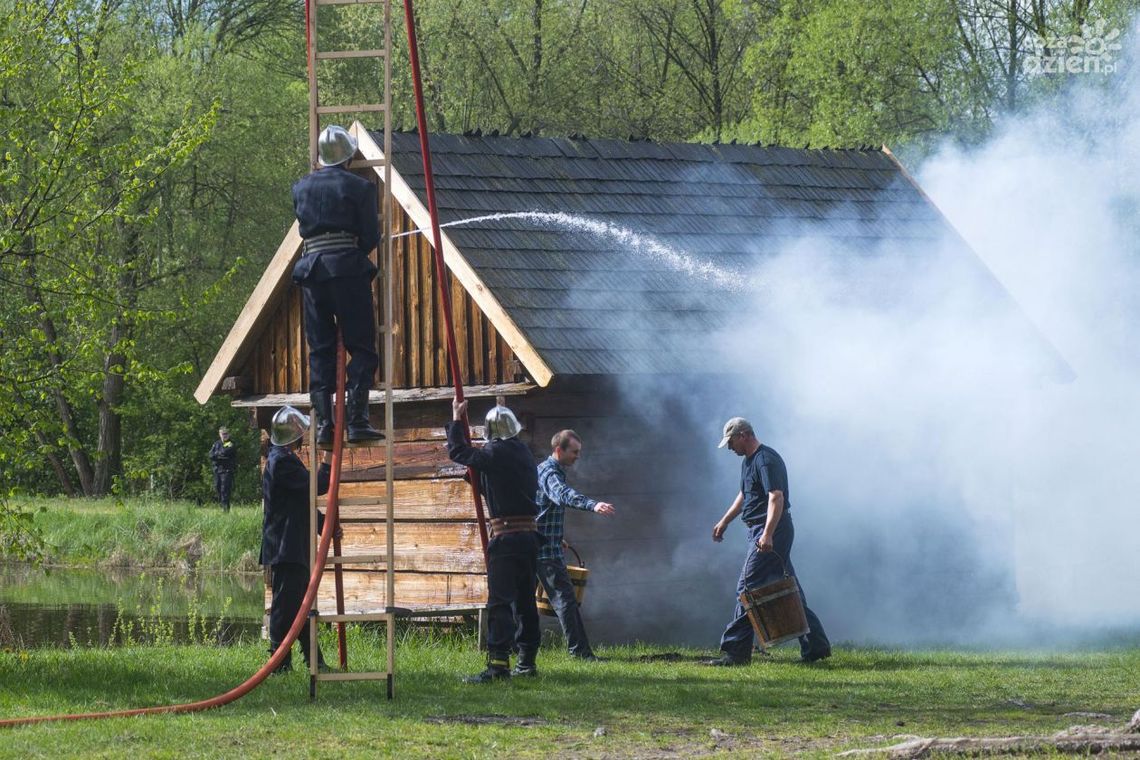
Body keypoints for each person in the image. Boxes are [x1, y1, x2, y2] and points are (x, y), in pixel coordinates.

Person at [705, 417, 831, 666]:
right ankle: (816, 646)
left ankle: (736, 653)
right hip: (761, 531)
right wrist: (724, 521)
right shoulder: (748, 462)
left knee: (747, 588)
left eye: (731, 442)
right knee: (788, 588)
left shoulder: (766, 460)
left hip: (772, 530)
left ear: (744, 435)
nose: (730, 448)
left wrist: (768, 534)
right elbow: (745, 495)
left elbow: (776, 498)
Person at [292, 124, 383, 448]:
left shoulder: (301, 187)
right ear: (347, 156)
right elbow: (370, 237)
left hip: (312, 275)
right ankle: (357, 421)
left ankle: (325, 427)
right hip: (347, 271)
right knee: (362, 347)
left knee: (320, 351)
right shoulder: (360, 188)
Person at [445, 398, 541, 683]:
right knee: (525, 601)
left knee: (499, 602)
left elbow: (459, 452)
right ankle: (527, 660)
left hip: (507, 537)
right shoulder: (523, 453)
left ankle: (498, 664)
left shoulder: (495, 452)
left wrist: (454, 418)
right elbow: (502, 484)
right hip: (529, 538)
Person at [260, 405, 333, 673]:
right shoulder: (282, 461)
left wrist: (324, 524)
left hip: (290, 545)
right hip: (285, 547)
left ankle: (315, 660)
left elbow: (300, 501)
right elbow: (316, 486)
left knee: (300, 607)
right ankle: (278, 663)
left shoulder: (284, 458)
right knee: (285, 608)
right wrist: (328, 457)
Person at [535, 429, 615, 660]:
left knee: (523, 602)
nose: (578, 456)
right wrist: (593, 505)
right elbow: (563, 495)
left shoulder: (545, 469)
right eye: (574, 452)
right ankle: (579, 653)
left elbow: (540, 507)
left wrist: (554, 536)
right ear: (559, 450)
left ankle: (518, 648)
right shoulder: (551, 474)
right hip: (545, 552)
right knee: (566, 601)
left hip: (541, 544)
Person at [208, 427, 237, 512]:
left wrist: (217, 455)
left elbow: (225, 452)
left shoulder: (230, 444)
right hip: (217, 470)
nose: (224, 436)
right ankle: (222, 506)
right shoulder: (216, 443)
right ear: (219, 434)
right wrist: (218, 455)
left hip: (227, 470)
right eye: (223, 434)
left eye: (226, 434)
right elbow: (210, 455)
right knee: (217, 488)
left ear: (229, 434)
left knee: (225, 489)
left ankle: (226, 510)